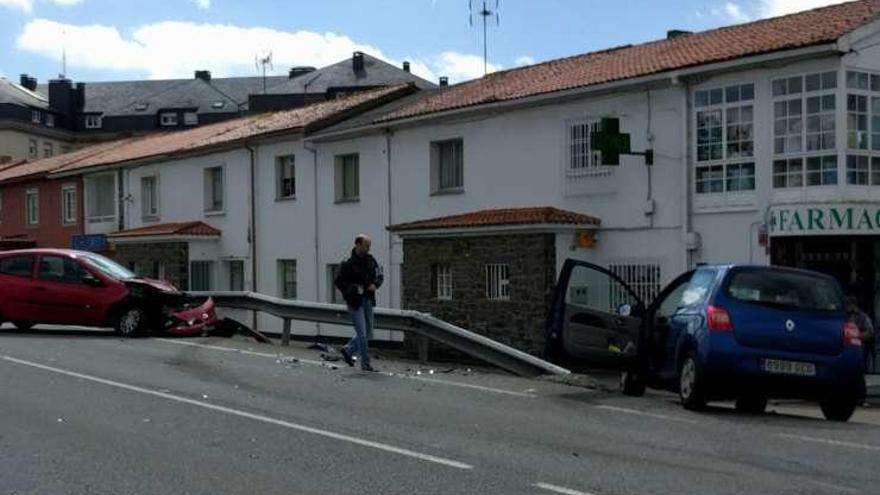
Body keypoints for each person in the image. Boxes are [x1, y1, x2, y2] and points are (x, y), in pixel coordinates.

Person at [334, 234, 383, 372]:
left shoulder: (371, 260)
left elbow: (379, 274)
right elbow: (339, 281)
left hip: (368, 298)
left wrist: (375, 284)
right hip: (355, 301)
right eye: (366, 245)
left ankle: (348, 349)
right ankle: (365, 363)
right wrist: (352, 290)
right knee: (362, 333)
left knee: (368, 332)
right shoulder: (348, 263)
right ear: (358, 245)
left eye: (369, 245)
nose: (368, 248)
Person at [847, 296, 875, 372]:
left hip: (858, 347)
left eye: (849, 304)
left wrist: (856, 336)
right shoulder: (843, 316)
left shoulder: (863, 316)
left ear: (853, 305)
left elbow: (870, 332)